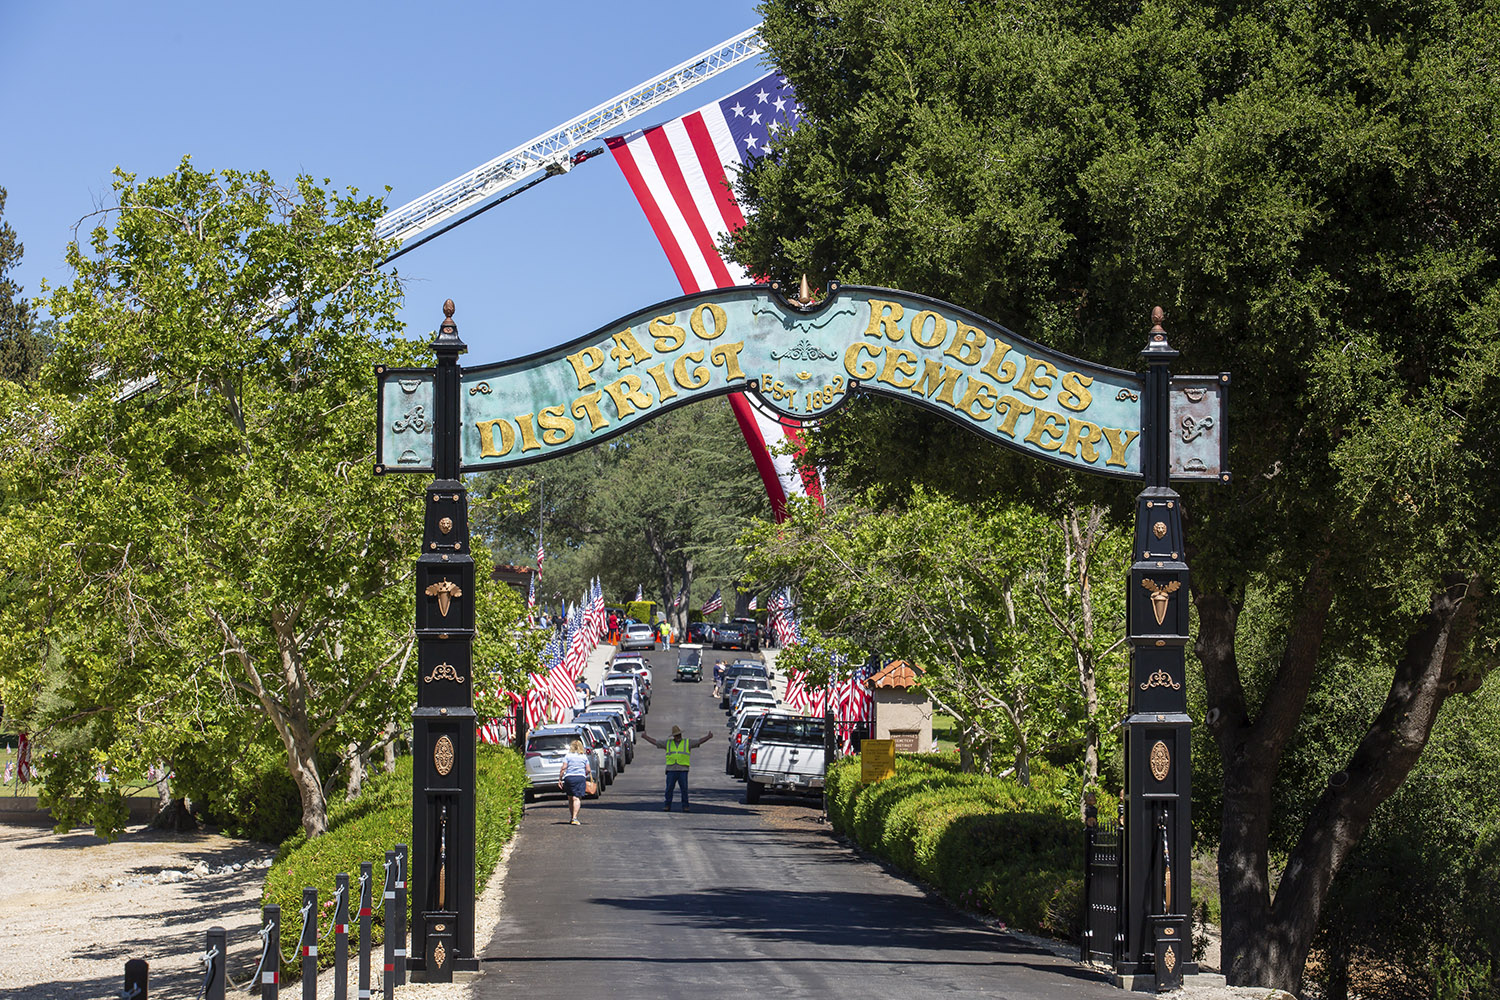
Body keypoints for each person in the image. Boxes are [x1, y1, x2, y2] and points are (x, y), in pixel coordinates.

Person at [639, 723, 712, 812]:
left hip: (683, 770)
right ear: (673, 736)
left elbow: (699, 741)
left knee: (684, 789)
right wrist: (646, 737)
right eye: (676, 735)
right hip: (671, 770)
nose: (678, 736)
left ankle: (685, 806)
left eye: (679, 734)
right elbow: (656, 742)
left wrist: (708, 737)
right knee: (669, 789)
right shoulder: (668, 743)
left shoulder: (687, 742)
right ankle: (667, 805)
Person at [556, 738, 591, 825]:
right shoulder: (583, 757)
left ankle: (572, 816)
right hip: (580, 778)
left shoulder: (568, 756)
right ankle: (574, 818)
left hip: (569, 778)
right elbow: (588, 769)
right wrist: (585, 774)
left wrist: (560, 779)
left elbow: (563, 768)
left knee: (570, 798)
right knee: (577, 798)